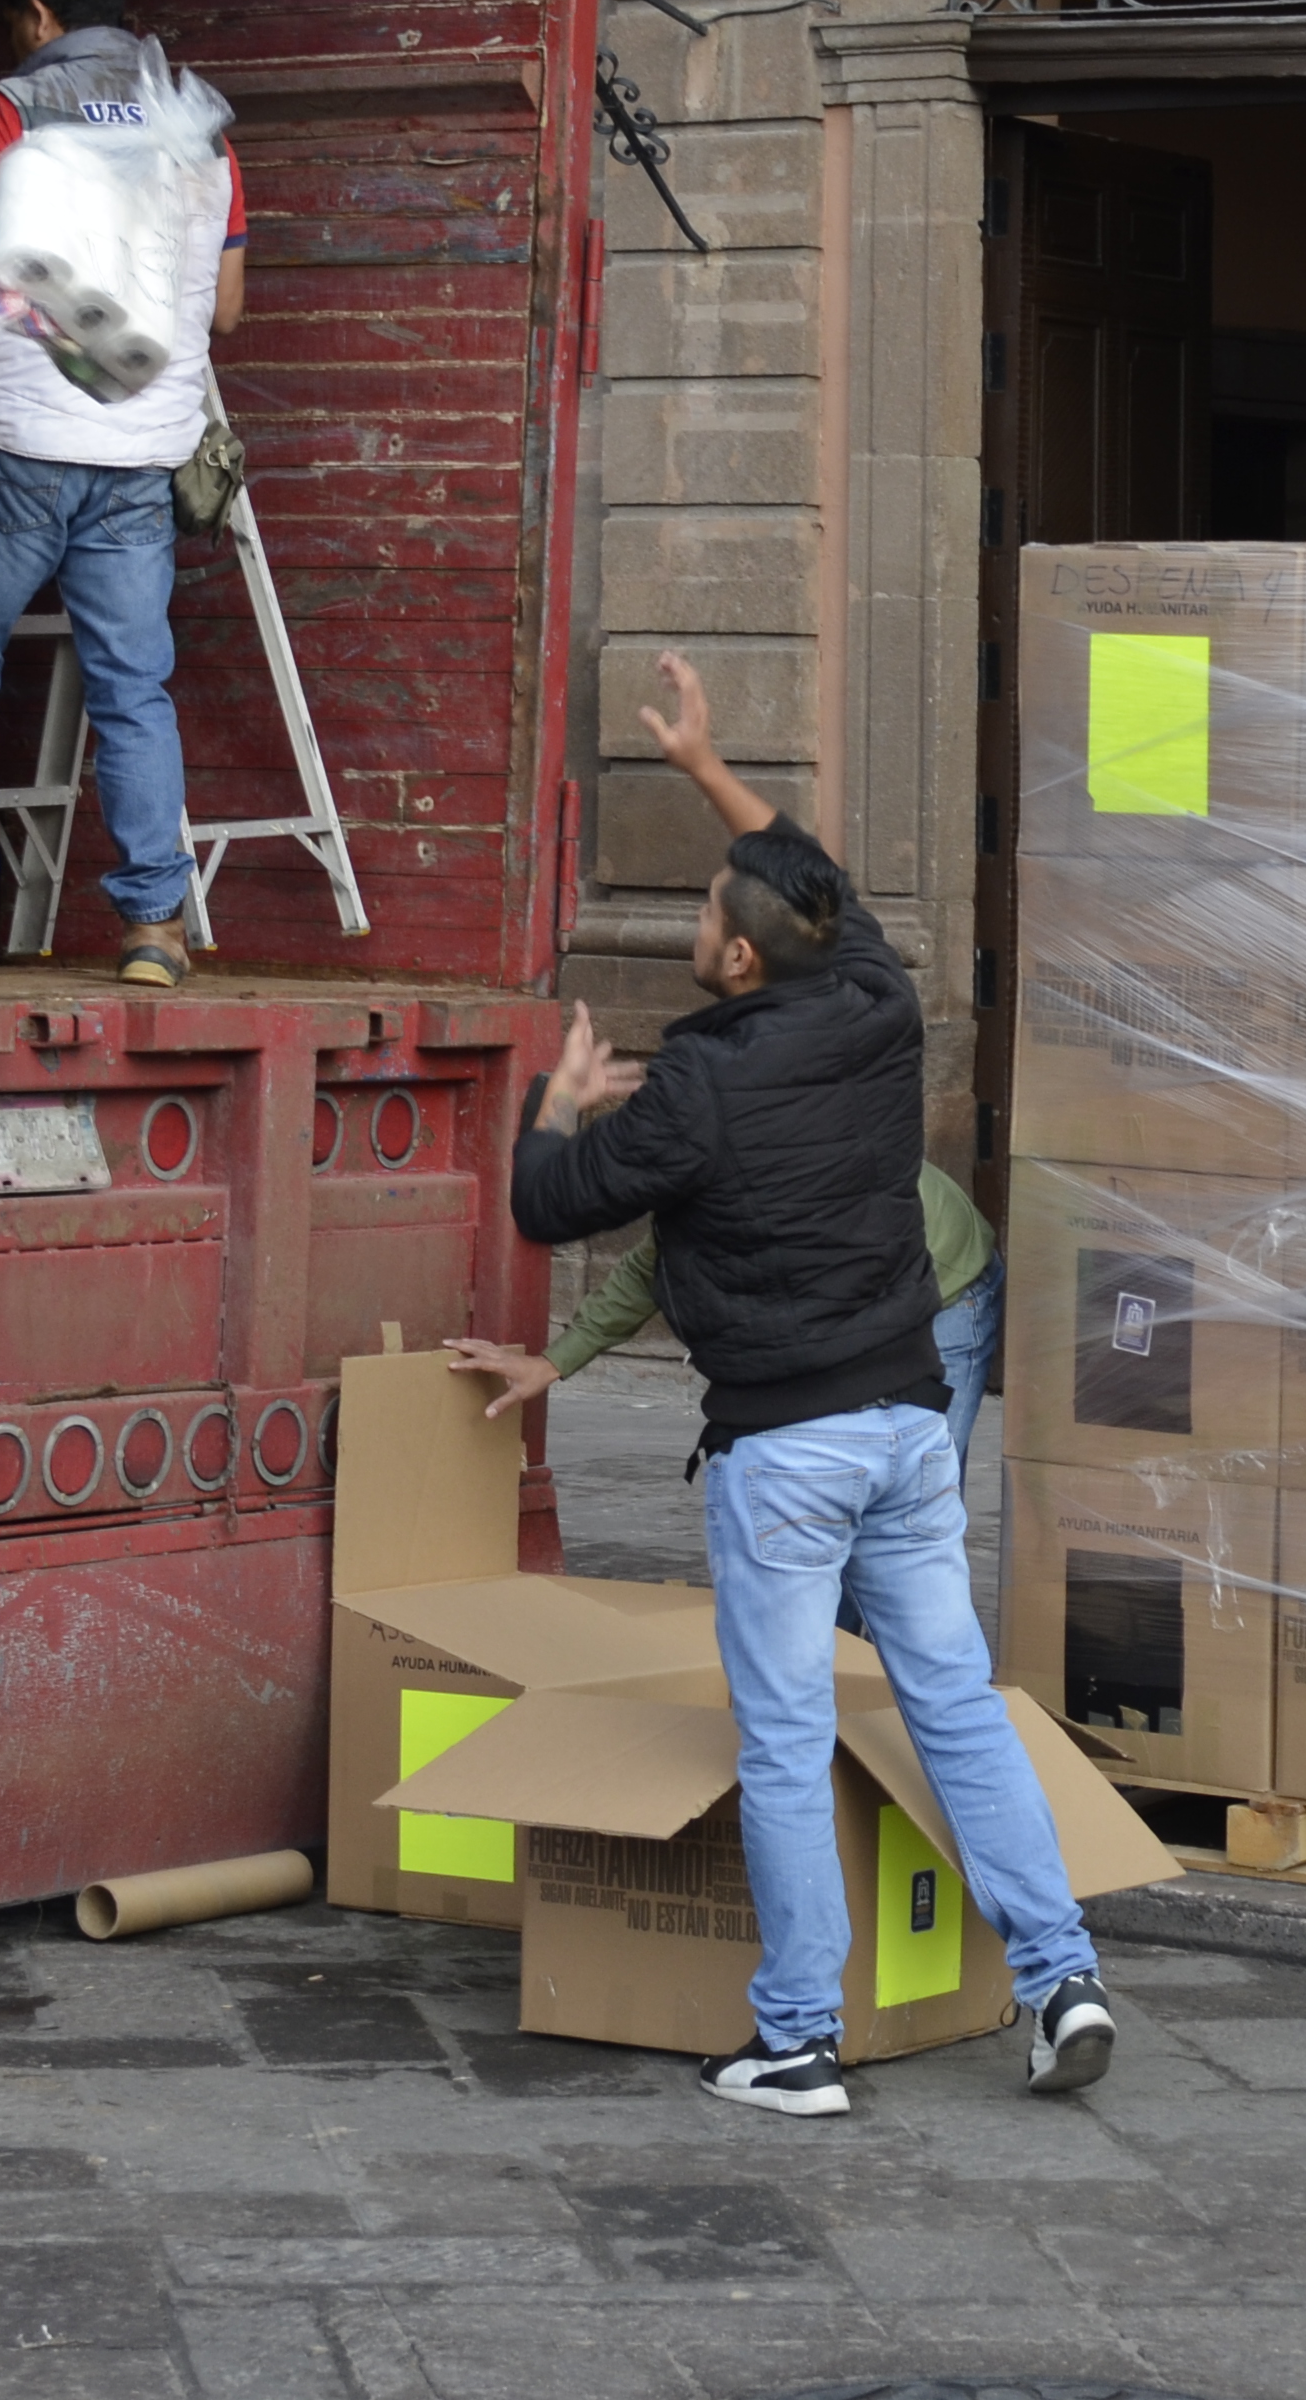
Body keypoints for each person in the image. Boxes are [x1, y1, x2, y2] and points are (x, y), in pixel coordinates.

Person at [449, 656, 1118, 2118]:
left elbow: (550, 1206)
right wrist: (705, 770)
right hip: (903, 1427)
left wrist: (561, 1102)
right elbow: (822, 883)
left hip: (789, 1454)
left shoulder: (693, 1093)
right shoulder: (879, 1006)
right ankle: (1061, 1974)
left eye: (703, 916)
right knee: (954, 1703)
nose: (696, 922)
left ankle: (799, 2039)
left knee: (784, 1739)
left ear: (741, 962)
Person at [0, 0, 240, 990]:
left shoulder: (11, 110)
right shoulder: (204, 132)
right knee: (135, 687)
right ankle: (154, 928)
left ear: (36, 18)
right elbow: (223, 304)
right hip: (139, 456)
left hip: (22, 441)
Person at [550, 1162, 1004, 1466]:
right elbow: (644, 1270)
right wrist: (556, 1360)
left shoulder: (810, 1203)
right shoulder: (702, 1184)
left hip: (947, 1287)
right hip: (853, 1305)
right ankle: (836, 1615)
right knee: (842, 1479)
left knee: (923, 1480)